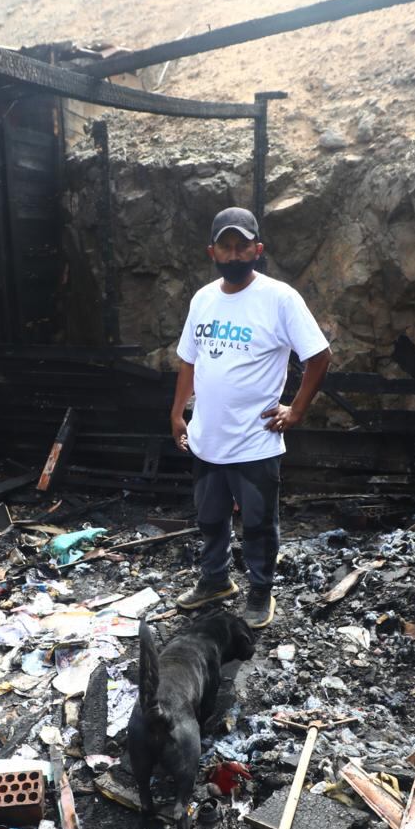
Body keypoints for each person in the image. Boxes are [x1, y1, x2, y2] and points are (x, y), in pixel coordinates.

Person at [171, 207, 331, 628]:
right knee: (209, 519)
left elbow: (319, 355)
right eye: (226, 246)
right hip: (208, 438)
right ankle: (215, 581)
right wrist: (176, 413)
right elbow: (188, 361)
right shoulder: (202, 299)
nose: (235, 254)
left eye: (243, 246)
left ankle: (260, 592)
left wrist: (296, 409)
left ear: (258, 250)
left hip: (255, 440)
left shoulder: (279, 298)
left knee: (259, 524)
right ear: (213, 252)